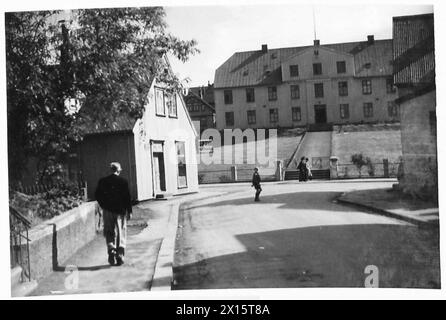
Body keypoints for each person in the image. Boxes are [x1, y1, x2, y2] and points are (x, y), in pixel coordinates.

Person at [95, 162, 132, 266]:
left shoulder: (102, 181)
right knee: (121, 231)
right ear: (119, 170)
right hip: (120, 211)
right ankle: (120, 254)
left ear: (110, 170)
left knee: (109, 231)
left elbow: (97, 195)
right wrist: (129, 211)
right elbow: (127, 198)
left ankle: (111, 248)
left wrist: (104, 205)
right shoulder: (123, 181)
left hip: (108, 210)